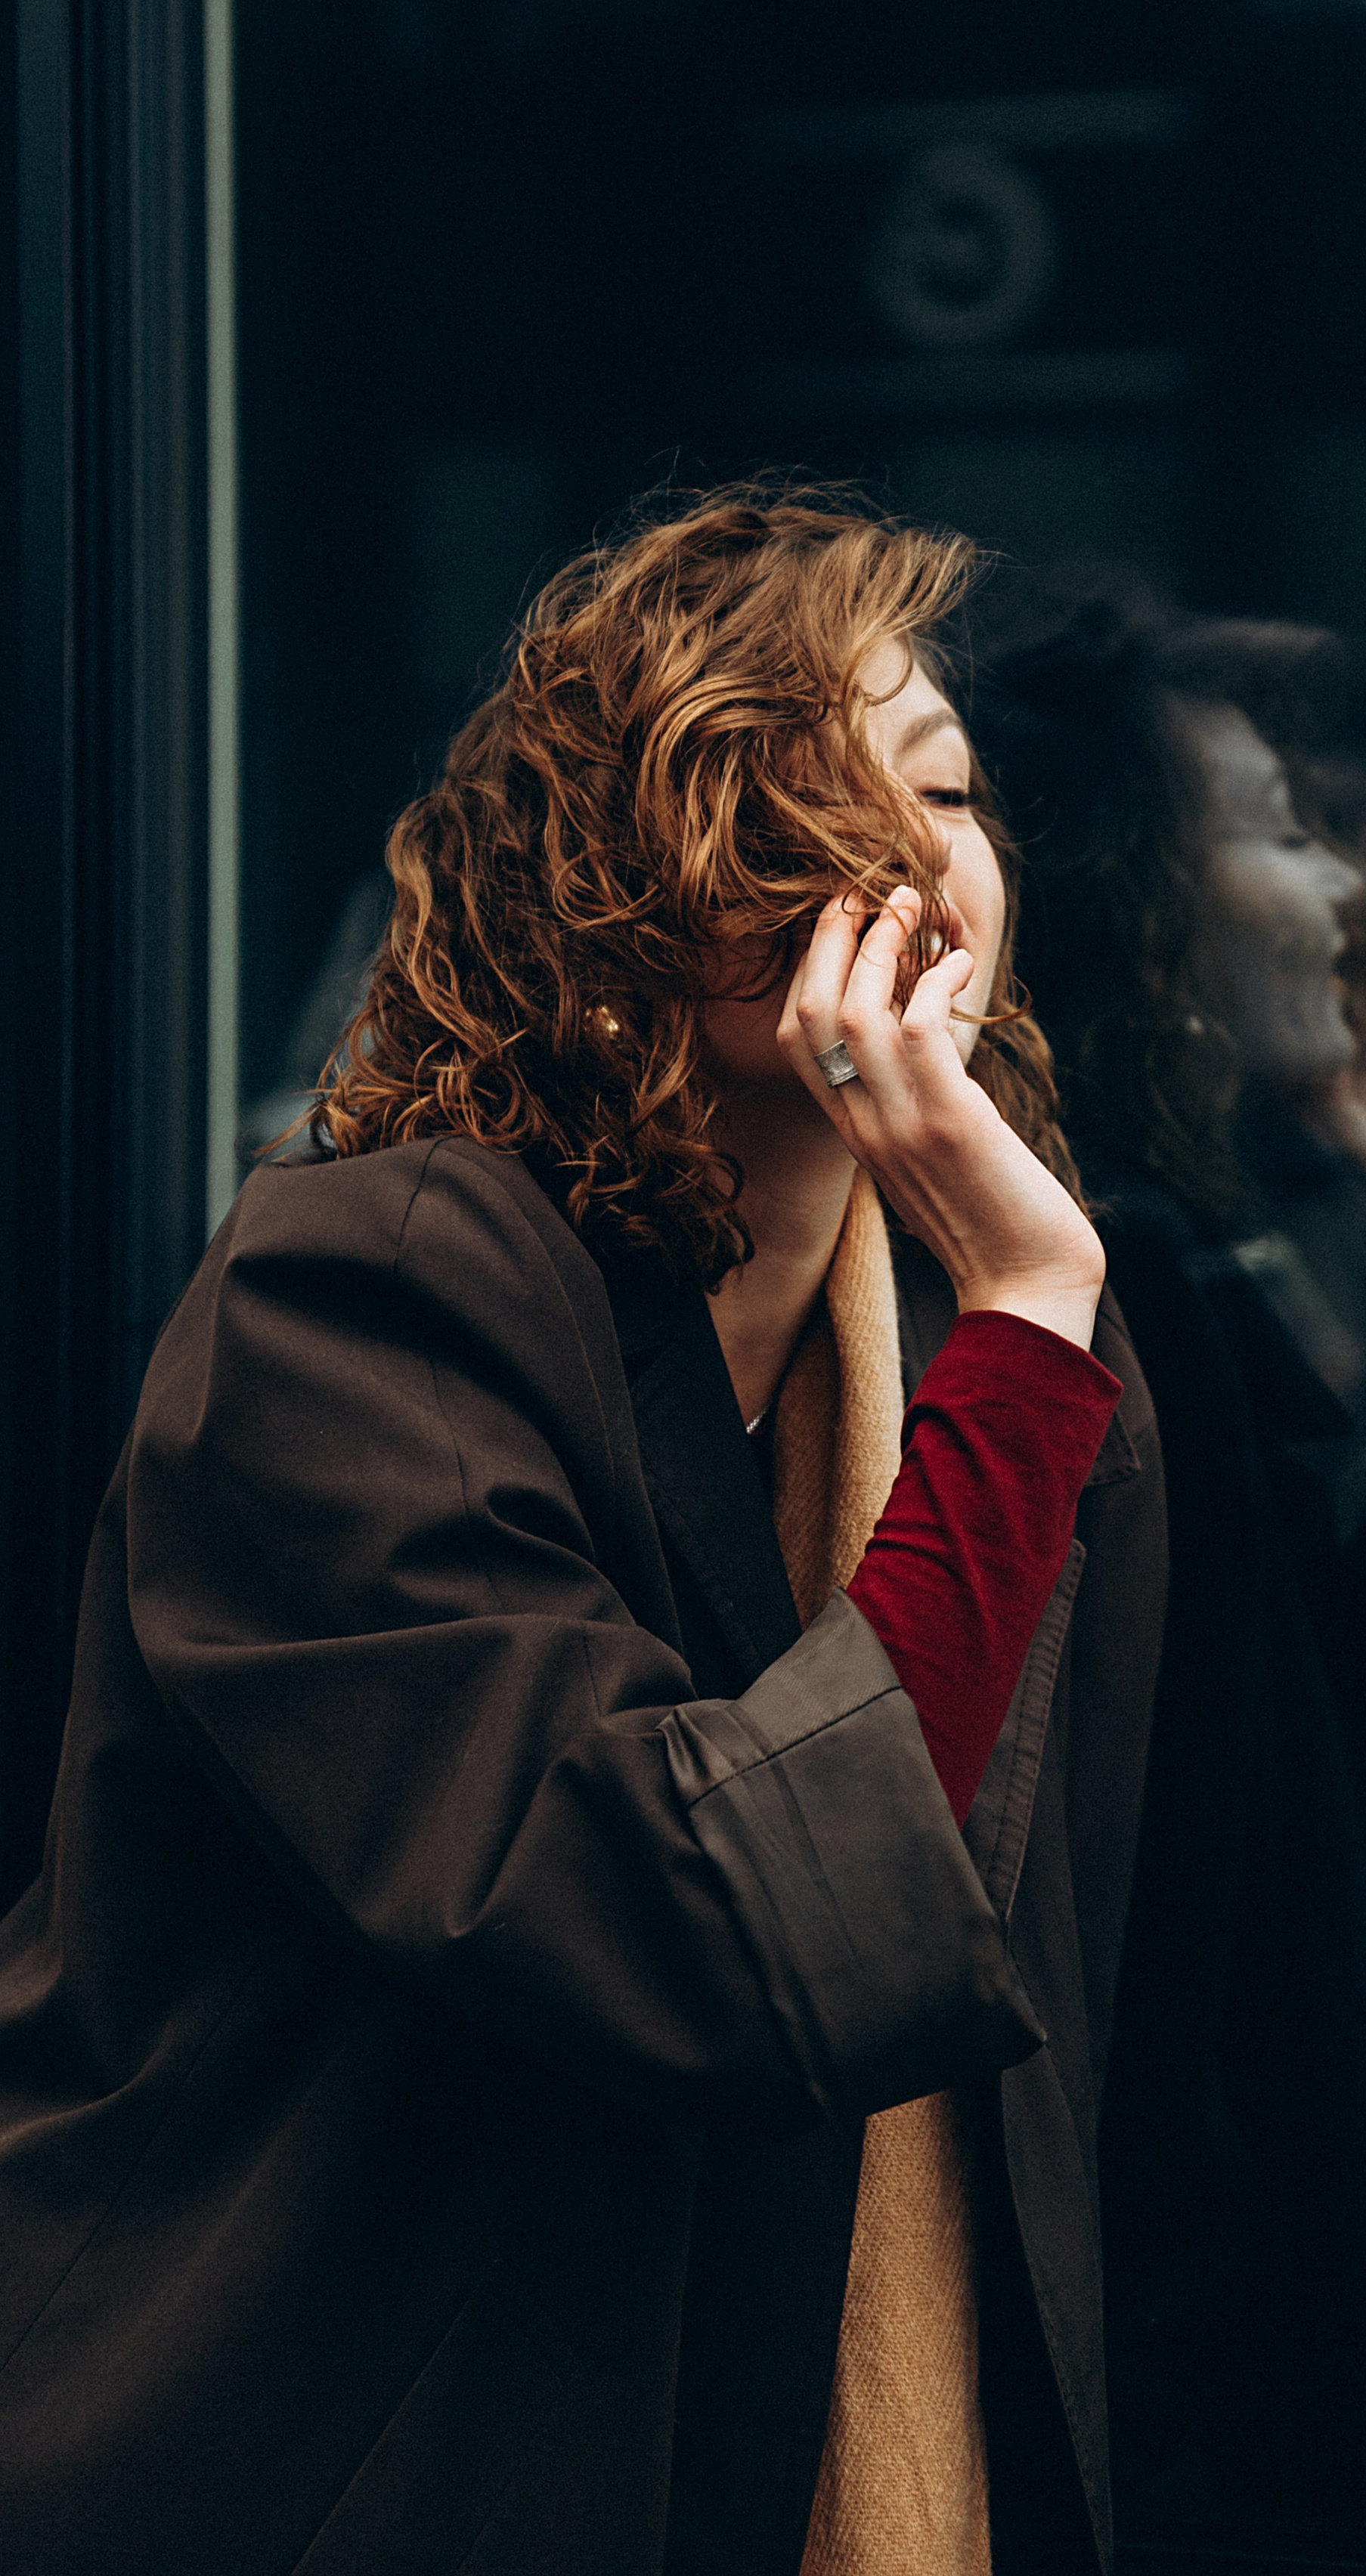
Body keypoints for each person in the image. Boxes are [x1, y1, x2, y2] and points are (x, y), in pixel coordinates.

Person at [0, 491, 1168, 2576]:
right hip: (325, 2444)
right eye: (789, 795)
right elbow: (709, 1932)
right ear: (610, 891)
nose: (915, 860)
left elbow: (1076, 2011)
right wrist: (1025, 1338)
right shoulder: (362, 1303)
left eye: (952, 789)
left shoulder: (1004, 1337)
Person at [974, 591, 1366, 2550]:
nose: (1335, 885)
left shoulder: (1160, 1264)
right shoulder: (1097, 1288)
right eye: (1272, 827)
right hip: (1235, 2436)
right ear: (1122, 895)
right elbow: (1193, 1981)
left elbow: (1361, 1756)